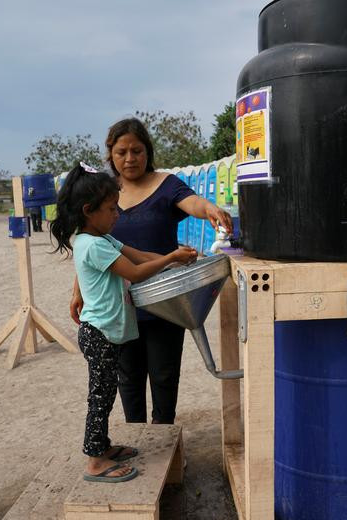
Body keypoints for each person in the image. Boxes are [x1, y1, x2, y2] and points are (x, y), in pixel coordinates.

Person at [70, 118, 232, 426]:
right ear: (110, 154)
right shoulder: (103, 190)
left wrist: (210, 208)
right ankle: (138, 444)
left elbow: (193, 202)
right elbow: (92, 241)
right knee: (128, 381)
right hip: (119, 306)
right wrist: (78, 290)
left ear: (148, 151)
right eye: (121, 152)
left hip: (166, 304)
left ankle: (165, 448)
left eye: (137, 150)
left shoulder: (166, 185)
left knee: (164, 376)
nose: (130, 158)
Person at [50, 162, 197, 483]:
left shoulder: (102, 238)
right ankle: (94, 461)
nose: (117, 213)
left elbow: (139, 254)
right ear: (89, 211)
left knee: (105, 393)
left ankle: (103, 447)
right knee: (100, 397)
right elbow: (134, 272)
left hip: (107, 334)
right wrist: (170, 258)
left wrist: (174, 254)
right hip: (99, 335)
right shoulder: (92, 245)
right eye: (110, 209)